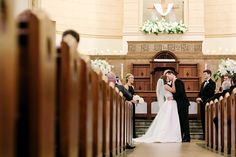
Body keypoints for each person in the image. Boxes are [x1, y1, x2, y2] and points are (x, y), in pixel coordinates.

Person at [133, 75, 182, 143]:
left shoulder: (166, 86)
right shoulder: (165, 86)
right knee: (168, 119)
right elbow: (174, 90)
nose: (169, 78)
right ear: (165, 79)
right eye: (167, 78)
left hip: (171, 103)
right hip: (170, 104)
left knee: (171, 120)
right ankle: (166, 135)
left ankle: (171, 133)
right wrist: (174, 81)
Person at [165, 69, 191, 142]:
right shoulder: (174, 82)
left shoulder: (178, 81)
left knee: (184, 121)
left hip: (183, 104)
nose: (168, 78)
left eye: (168, 76)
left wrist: (173, 97)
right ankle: (183, 136)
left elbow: (180, 92)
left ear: (171, 74)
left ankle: (187, 137)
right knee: (181, 121)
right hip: (180, 104)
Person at [196, 69, 216, 140]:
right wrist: (198, 98)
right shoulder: (203, 83)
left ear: (209, 74)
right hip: (202, 104)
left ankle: (209, 136)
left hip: (208, 103)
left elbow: (210, 93)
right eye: (203, 74)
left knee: (208, 119)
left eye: (205, 74)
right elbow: (201, 92)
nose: (204, 75)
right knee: (203, 120)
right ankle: (205, 136)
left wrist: (202, 99)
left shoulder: (212, 83)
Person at [124, 73, 137, 138]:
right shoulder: (126, 86)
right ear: (127, 79)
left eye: (133, 78)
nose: (133, 79)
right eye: (131, 78)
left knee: (132, 118)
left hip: (133, 104)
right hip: (128, 104)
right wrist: (129, 101)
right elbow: (125, 96)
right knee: (129, 118)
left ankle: (133, 134)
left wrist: (136, 98)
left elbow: (131, 95)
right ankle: (129, 134)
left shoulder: (132, 87)